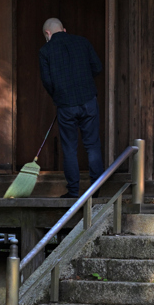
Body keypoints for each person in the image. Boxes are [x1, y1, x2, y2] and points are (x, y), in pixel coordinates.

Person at [39, 17, 105, 199]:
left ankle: (74, 191)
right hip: (88, 100)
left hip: (65, 105)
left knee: (69, 148)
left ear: (48, 33)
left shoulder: (46, 50)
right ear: (64, 30)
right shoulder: (82, 42)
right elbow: (97, 67)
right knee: (92, 145)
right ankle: (96, 190)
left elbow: (47, 81)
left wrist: (59, 96)